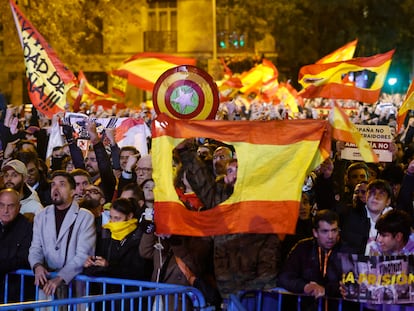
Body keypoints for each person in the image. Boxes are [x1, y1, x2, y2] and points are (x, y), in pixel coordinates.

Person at [29, 170, 96, 301]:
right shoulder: (42, 215)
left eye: (62, 184)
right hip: (47, 284)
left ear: (72, 191)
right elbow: (35, 247)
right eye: (53, 184)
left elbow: (83, 254)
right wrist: (37, 266)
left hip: (73, 283)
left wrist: (60, 277)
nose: (56, 188)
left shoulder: (85, 216)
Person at [278, 209, 343, 310]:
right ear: (315, 232)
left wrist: (326, 290)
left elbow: (351, 284)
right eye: (325, 231)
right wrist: (305, 287)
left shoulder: (346, 250)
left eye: (334, 230)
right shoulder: (302, 248)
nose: (330, 236)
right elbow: (285, 277)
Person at [341, 179, 393, 254]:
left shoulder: (395, 221)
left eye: (381, 194)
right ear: (366, 196)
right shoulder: (350, 215)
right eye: (372, 192)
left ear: (388, 201)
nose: (376, 197)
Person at [0, 188, 34, 303]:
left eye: (10, 206)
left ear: (19, 208)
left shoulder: (27, 227)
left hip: (17, 294)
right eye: (2, 205)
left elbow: (23, 258)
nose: (5, 210)